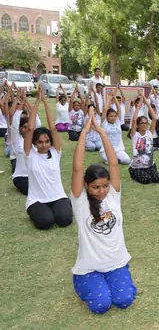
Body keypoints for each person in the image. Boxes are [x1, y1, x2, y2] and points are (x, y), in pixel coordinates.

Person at [71, 107, 136, 314]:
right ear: (86, 186)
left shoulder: (113, 195)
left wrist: (101, 132)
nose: (101, 191)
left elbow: (114, 163)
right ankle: (85, 283)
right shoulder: (80, 200)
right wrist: (84, 133)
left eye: (104, 186)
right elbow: (77, 168)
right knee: (101, 305)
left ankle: (112, 278)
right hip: (89, 268)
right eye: (95, 187)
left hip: (116, 263)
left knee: (124, 300)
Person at [24, 89, 73, 230]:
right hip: (37, 200)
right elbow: (30, 129)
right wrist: (37, 102)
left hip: (57, 196)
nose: (44, 145)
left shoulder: (55, 152)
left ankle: (61, 207)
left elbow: (53, 129)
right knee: (46, 222)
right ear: (34, 143)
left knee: (65, 220)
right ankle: (38, 212)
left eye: (46, 141)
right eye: (40, 142)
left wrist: (46, 103)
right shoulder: (30, 154)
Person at [128, 94, 159, 184]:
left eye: (146, 123)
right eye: (142, 123)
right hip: (137, 166)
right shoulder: (135, 135)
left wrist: (147, 103)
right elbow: (134, 120)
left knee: (157, 179)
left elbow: (154, 118)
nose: (145, 125)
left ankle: (147, 171)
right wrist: (138, 107)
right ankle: (132, 171)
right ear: (138, 125)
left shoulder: (150, 133)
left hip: (149, 165)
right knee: (146, 180)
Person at [100, 93, 131, 165]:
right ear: (107, 117)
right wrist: (109, 99)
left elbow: (119, 108)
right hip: (106, 149)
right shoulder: (104, 123)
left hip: (118, 149)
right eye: (111, 116)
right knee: (112, 162)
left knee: (127, 160)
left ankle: (115, 158)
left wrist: (114, 97)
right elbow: (105, 109)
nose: (113, 118)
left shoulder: (117, 122)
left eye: (114, 116)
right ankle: (111, 159)